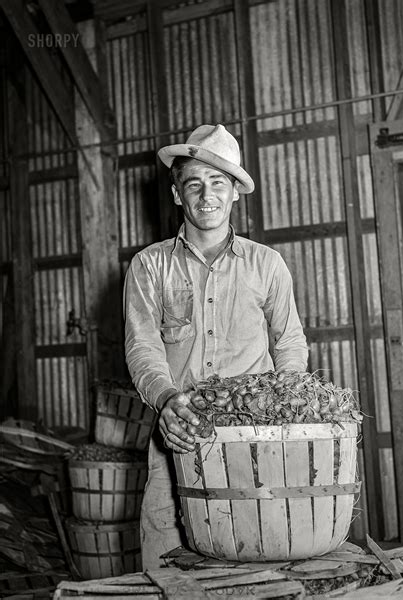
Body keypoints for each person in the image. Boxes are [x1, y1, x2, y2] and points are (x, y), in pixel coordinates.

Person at [123, 123, 308, 569]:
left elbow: (290, 343)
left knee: (259, 560)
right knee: (168, 565)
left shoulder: (267, 264)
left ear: (235, 193)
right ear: (176, 195)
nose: (207, 195)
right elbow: (143, 347)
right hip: (178, 436)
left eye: (218, 183)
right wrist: (167, 399)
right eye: (194, 184)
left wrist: (284, 414)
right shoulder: (149, 266)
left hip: (254, 440)